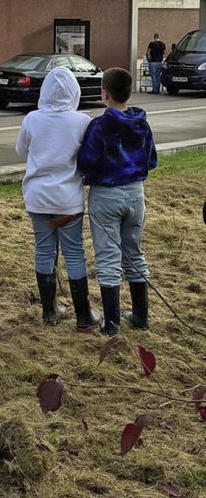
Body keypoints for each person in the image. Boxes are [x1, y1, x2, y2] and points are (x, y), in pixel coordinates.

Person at [15, 67, 99, 330]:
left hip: (38, 196)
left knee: (43, 250)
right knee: (74, 254)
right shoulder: (82, 120)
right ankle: (83, 316)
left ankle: (50, 311)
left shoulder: (32, 118)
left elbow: (21, 150)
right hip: (68, 200)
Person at [77, 67, 158, 337]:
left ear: (104, 93)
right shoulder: (142, 124)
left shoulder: (100, 125)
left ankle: (111, 323)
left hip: (107, 194)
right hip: (136, 192)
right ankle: (141, 315)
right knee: (134, 252)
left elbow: (86, 161)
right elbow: (152, 160)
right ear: (130, 92)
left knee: (108, 256)